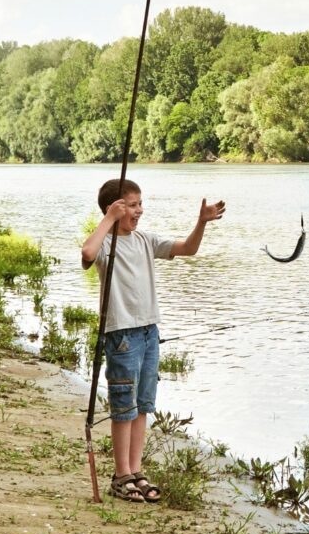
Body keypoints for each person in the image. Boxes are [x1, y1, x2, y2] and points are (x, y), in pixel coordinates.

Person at [81, 178, 225, 503]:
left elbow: (187, 249)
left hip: (149, 332)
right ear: (114, 209)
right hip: (121, 334)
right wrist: (108, 220)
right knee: (123, 407)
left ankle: (136, 470)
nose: (139, 210)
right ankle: (121, 476)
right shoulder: (106, 244)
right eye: (132, 205)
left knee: (143, 404)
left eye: (139, 204)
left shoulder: (145, 240)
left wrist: (201, 222)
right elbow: (87, 252)